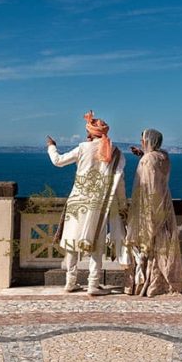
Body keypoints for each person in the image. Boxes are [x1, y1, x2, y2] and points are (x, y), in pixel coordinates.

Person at [46, 110, 128, 296]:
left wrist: (51, 146)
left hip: (77, 200)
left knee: (72, 241)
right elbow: (119, 180)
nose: (86, 134)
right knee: (95, 244)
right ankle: (93, 284)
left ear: (92, 133)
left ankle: (70, 282)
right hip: (100, 204)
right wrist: (122, 204)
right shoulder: (115, 152)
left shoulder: (83, 147)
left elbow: (58, 161)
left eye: (88, 131)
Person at [125, 128, 182, 297]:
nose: (142, 142)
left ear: (149, 140)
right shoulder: (164, 156)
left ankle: (148, 284)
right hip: (165, 204)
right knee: (164, 245)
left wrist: (143, 157)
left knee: (150, 245)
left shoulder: (148, 160)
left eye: (143, 139)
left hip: (150, 206)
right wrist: (143, 155)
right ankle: (166, 280)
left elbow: (148, 185)